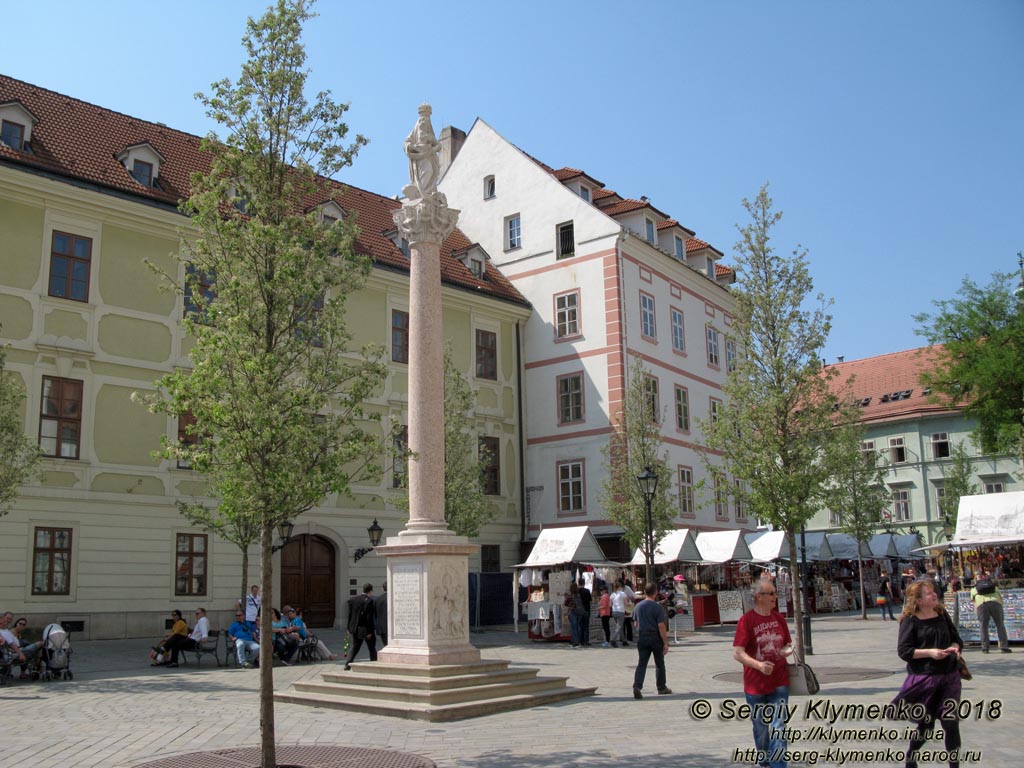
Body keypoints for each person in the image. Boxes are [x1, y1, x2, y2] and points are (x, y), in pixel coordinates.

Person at [891, 579, 964, 768]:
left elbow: (956, 639)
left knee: (950, 723)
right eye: (929, 593)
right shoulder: (910, 620)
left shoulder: (941, 613)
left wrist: (954, 648)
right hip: (925, 678)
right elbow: (904, 651)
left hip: (950, 676)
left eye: (933, 592)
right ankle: (911, 757)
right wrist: (930, 653)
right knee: (927, 725)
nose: (934, 595)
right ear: (919, 600)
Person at [733, 578, 793, 768]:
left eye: (775, 593)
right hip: (755, 684)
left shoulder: (779, 618)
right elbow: (737, 653)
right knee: (760, 728)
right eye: (772, 593)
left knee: (778, 725)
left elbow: (786, 643)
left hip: (779, 681)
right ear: (759, 597)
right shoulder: (747, 620)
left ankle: (778, 765)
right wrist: (758, 665)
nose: (775, 597)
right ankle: (764, 759)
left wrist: (786, 650)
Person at [632, 581, 671, 699]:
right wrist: (665, 642)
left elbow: (635, 624)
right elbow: (661, 626)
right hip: (655, 637)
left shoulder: (638, 606)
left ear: (644, 592)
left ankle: (637, 686)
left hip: (642, 637)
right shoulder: (657, 607)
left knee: (642, 663)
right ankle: (661, 687)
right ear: (656, 593)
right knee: (659, 663)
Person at [971, 570, 1011, 654]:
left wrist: (977, 611)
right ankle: (1004, 647)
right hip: (995, 603)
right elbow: (1000, 598)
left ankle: (985, 647)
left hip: (982, 605)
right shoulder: (994, 587)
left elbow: (973, 601)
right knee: (1000, 625)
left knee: (983, 626)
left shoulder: (974, 589)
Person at [345, 583, 377, 670]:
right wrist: (370, 631)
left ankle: (347, 663)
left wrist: (349, 628)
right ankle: (374, 663)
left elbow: (350, 615)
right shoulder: (369, 601)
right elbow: (369, 618)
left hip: (355, 628)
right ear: (370, 591)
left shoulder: (353, 599)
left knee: (355, 647)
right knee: (371, 647)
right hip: (365, 629)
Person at [564, 582, 584, 647]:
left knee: (574, 627)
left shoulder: (571, 596)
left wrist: (567, 613)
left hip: (573, 612)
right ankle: (577, 641)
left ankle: (575, 642)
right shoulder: (578, 595)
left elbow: (568, 605)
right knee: (577, 627)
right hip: (579, 612)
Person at [609, 581, 628, 648]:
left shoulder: (612, 594)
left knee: (620, 626)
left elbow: (610, 605)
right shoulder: (623, 594)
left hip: (614, 611)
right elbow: (626, 603)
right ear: (620, 586)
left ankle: (624, 640)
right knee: (619, 626)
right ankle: (613, 640)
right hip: (621, 611)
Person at [577, 578, 592, 647]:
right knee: (586, 626)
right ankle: (586, 641)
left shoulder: (577, 591)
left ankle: (580, 640)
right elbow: (590, 600)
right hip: (586, 609)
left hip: (579, 610)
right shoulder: (587, 591)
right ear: (584, 583)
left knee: (580, 626)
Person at [375, 583, 389, 648]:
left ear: (382, 588)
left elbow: (375, 613)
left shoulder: (378, 599)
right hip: (390, 627)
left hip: (381, 627)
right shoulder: (392, 598)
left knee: (386, 645)